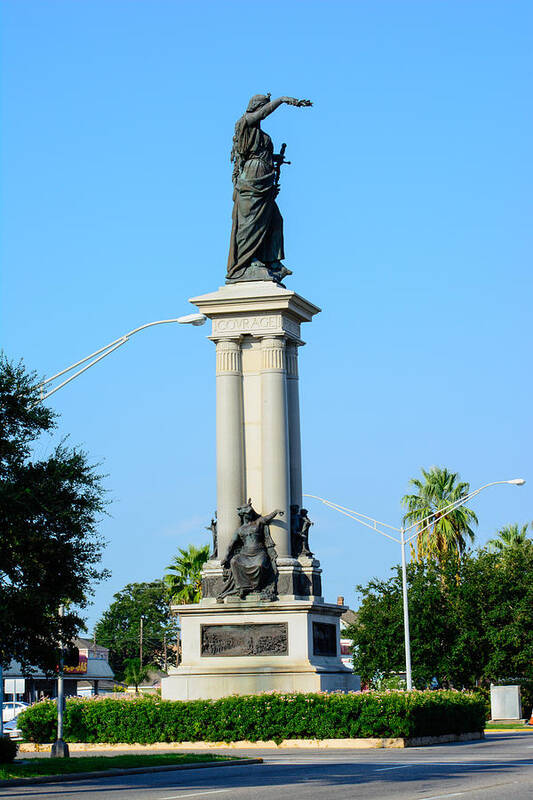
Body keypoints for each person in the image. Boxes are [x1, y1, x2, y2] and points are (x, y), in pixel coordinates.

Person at [226, 94, 312, 284]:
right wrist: (281, 100)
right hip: (251, 180)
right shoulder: (244, 123)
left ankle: (272, 261)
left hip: (264, 180)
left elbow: (260, 151)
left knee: (274, 219)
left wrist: (273, 159)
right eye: (263, 107)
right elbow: (260, 116)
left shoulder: (261, 134)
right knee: (251, 222)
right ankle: (249, 260)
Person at [218, 500, 283, 600]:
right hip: (245, 553)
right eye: (246, 514)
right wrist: (225, 558)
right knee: (234, 561)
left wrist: (276, 511)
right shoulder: (240, 530)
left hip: (259, 552)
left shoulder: (258, 522)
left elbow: (267, 518)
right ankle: (241, 588)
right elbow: (231, 545)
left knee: (259, 565)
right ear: (243, 516)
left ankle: (256, 588)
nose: (248, 516)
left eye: (249, 514)